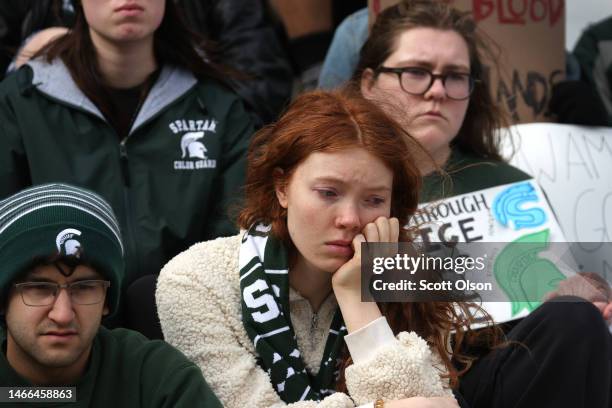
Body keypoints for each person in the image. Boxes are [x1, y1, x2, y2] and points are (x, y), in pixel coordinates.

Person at [156, 89, 463, 408]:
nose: (350, 219)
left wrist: (360, 297)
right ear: (282, 187)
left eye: (374, 200)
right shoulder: (194, 281)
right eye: (328, 192)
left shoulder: (414, 283)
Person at [0, 0, 254, 325]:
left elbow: (235, 246)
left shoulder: (218, 106)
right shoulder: (20, 103)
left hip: (185, 329)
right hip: (57, 329)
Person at [0, 183, 223, 407]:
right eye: (40, 288)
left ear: (107, 299)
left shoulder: (156, 377)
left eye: (83, 288)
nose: (63, 315)